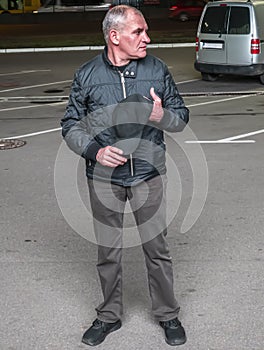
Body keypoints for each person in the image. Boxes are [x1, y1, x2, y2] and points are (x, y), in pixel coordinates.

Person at [60, 4, 189, 347]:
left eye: (145, 31)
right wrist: (95, 151)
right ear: (114, 37)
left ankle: (167, 313)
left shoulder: (157, 69)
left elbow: (181, 116)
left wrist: (162, 116)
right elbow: (71, 125)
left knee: (156, 248)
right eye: (139, 32)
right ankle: (109, 316)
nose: (147, 38)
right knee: (109, 251)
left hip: (148, 174)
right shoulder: (86, 75)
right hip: (104, 178)